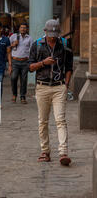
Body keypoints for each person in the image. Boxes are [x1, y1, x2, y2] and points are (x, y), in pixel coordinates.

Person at [29, 19, 73, 166]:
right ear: (45, 32)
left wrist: (66, 84)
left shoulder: (64, 46)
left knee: (60, 120)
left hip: (59, 87)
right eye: (50, 34)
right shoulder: (37, 45)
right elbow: (30, 67)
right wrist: (43, 63)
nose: (53, 37)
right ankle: (45, 151)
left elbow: (69, 67)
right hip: (42, 87)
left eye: (55, 34)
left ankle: (63, 152)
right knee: (43, 121)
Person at [9, 22, 33, 104]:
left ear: (27, 29)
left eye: (24, 27)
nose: (23, 29)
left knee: (24, 80)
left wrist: (30, 61)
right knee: (13, 77)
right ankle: (14, 94)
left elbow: (31, 50)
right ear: (19, 29)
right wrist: (13, 44)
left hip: (25, 61)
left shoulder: (29, 38)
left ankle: (23, 96)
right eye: (21, 27)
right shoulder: (13, 36)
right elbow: (8, 48)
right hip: (15, 61)